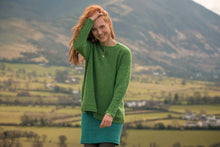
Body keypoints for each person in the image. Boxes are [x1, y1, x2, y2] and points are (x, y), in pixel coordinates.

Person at [69, 5, 132, 147]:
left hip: (111, 116)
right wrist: (89, 20)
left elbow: (121, 86)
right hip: (91, 114)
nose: (99, 32)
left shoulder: (124, 53)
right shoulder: (91, 49)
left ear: (109, 24)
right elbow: (78, 43)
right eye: (94, 30)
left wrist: (110, 113)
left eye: (102, 27)